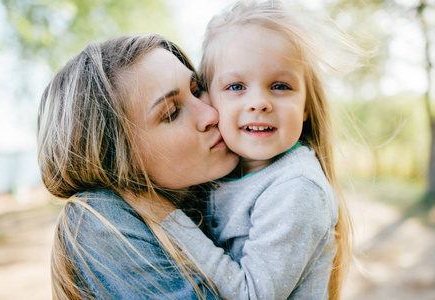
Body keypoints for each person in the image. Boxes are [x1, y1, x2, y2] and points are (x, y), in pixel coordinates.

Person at [161, 1, 355, 299]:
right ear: (208, 100)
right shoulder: (211, 172)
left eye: (280, 85)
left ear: (305, 106)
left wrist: (168, 219)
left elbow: (251, 294)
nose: (259, 102)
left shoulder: (297, 188)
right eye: (236, 87)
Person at [37, 33, 239, 299]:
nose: (211, 114)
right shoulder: (97, 217)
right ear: (116, 158)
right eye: (171, 112)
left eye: (197, 88)